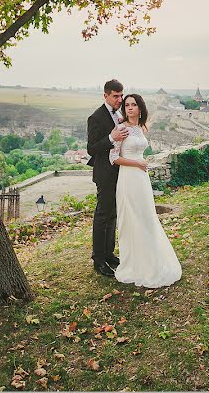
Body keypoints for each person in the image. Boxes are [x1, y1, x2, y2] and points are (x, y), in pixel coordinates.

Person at [109, 93, 181, 288]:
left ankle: (152, 261)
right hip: (128, 178)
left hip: (141, 178)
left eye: (134, 104)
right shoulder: (121, 128)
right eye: (127, 105)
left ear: (140, 108)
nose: (130, 107)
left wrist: (140, 164)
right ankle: (135, 264)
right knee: (133, 218)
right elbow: (113, 158)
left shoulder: (141, 128)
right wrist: (136, 163)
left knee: (147, 217)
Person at [86, 79, 128, 277]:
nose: (120, 99)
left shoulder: (119, 114)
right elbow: (91, 148)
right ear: (105, 96)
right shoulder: (95, 117)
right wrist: (111, 138)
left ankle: (109, 253)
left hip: (119, 171)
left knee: (112, 214)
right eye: (115, 96)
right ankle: (98, 259)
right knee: (102, 215)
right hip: (104, 173)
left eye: (121, 95)